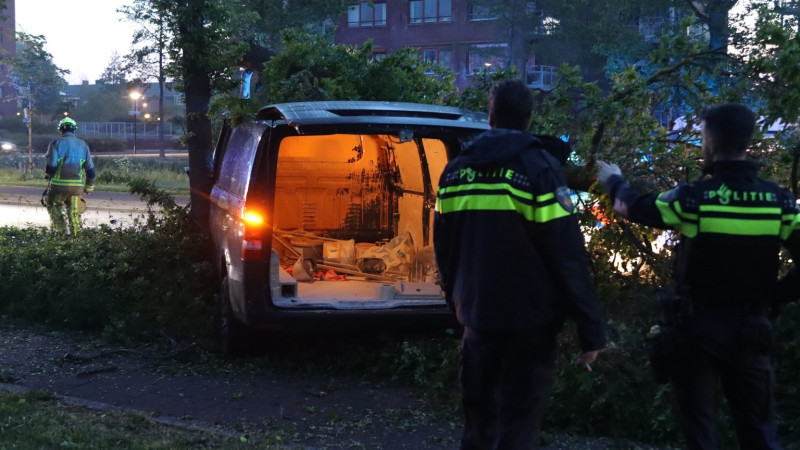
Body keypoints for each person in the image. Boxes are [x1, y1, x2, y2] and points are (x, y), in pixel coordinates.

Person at [596, 103, 800, 449]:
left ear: (711, 142)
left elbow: (630, 206)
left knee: (700, 433)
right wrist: (774, 298)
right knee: (759, 433)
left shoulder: (693, 200)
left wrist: (613, 180)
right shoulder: (778, 203)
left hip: (697, 331)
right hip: (751, 330)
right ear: (747, 140)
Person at [433, 79, 606, 449]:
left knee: (478, 422)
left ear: (490, 115)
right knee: (518, 422)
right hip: (530, 323)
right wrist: (590, 329)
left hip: (477, 317)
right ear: (529, 118)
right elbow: (567, 254)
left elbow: (444, 249)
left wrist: (456, 301)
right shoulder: (539, 169)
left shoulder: (455, 171)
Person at [44, 117, 96, 234]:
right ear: (74, 130)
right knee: (74, 213)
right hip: (76, 188)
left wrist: (48, 175)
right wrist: (88, 187)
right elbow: (91, 171)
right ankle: (76, 239)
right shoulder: (83, 145)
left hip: (58, 187)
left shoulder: (56, 143)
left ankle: (61, 235)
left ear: (61, 130)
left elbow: (51, 166)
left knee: (54, 207)